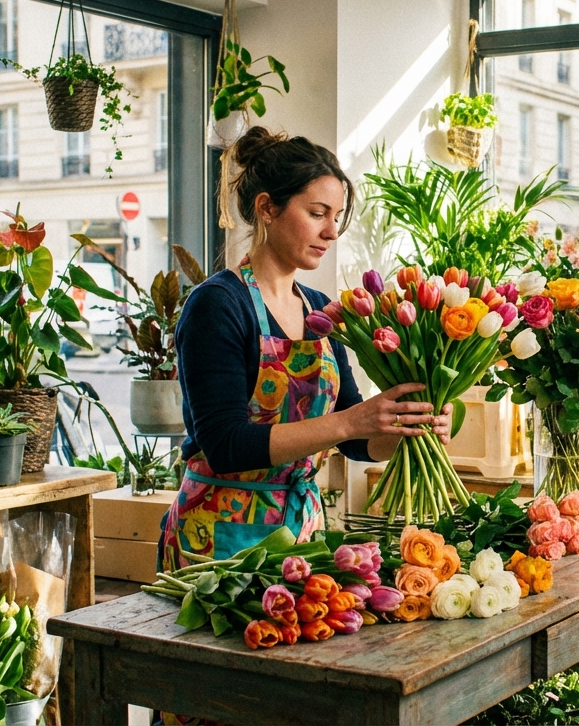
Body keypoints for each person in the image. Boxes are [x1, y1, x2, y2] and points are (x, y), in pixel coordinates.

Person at [161, 126, 453, 571]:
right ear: (267, 208)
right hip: (219, 542)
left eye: (336, 217)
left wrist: (407, 429)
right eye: (318, 213)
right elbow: (226, 444)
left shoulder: (322, 312)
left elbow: (356, 441)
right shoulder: (218, 305)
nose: (331, 231)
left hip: (301, 537)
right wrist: (350, 421)